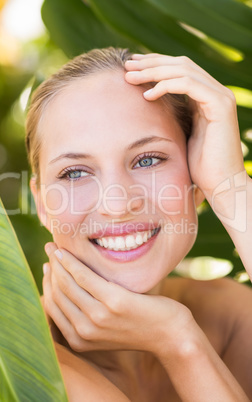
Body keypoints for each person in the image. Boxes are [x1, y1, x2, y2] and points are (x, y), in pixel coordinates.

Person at [26, 47, 252, 401]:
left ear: (196, 181)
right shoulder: (23, 362)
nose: (117, 205)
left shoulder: (232, 316)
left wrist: (230, 186)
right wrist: (179, 339)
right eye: (74, 172)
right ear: (42, 203)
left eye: (147, 160)